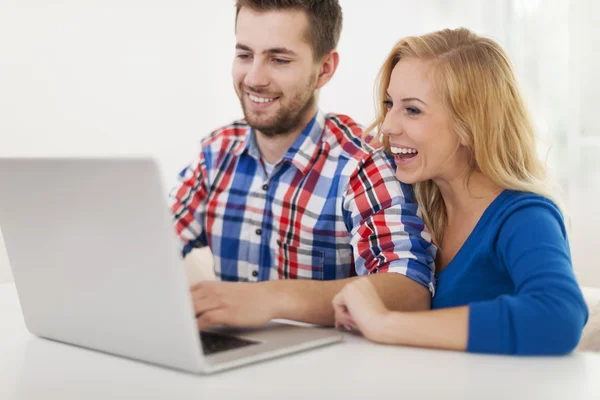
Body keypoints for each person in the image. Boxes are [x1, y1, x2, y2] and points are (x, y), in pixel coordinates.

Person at [169, 0, 436, 331]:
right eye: (244, 55)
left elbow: (410, 292)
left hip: (328, 375)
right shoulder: (216, 154)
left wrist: (272, 299)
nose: (254, 78)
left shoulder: (361, 164)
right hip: (228, 370)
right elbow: (149, 245)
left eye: (279, 60)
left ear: (324, 68)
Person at [332, 27, 589, 355]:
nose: (388, 126)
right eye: (389, 104)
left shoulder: (524, 216)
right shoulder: (411, 206)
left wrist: (383, 322)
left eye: (412, 110)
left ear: (469, 125)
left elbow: (559, 316)